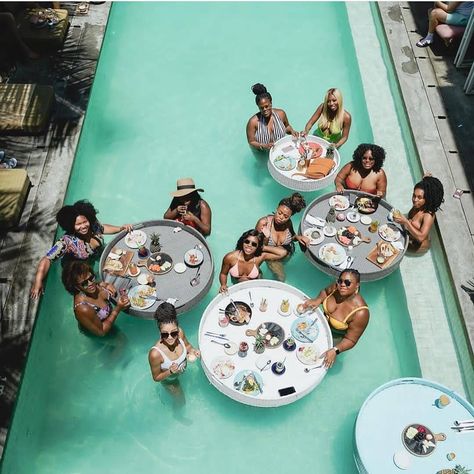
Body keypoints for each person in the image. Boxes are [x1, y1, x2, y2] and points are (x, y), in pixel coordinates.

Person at [30, 200, 133, 299]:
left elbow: (102, 228)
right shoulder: (67, 241)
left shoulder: (92, 225)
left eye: (85, 222)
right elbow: (47, 259)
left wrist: (121, 228)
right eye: (78, 224)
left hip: (95, 256)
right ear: (71, 225)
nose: (83, 226)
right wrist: (38, 280)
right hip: (79, 267)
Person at [302, 269, 369, 369]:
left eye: (347, 283)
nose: (342, 285)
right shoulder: (336, 288)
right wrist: (318, 300)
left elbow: (351, 340)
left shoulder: (360, 313)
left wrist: (335, 350)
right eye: (340, 281)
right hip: (317, 325)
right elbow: (325, 292)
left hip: (334, 337)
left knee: (314, 360)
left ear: (357, 285)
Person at [62, 261, 130, 336]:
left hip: (107, 322)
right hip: (97, 331)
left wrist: (105, 284)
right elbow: (102, 332)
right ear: (75, 287)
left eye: (91, 278)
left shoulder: (93, 286)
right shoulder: (83, 308)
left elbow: (91, 282)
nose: (90, 284)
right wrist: (117, 309)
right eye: (84, 283)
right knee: (122, 342)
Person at [255, 193, 309, 281]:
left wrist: (299, 237)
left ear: (290, 216)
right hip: (273, 257)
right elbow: (256, 248)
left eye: (286, 216)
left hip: (288, 253)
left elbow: (292, 237)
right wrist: (266, 237)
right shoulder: (264, 223)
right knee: (281, 278)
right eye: (279, 213)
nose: (281, 218)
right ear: (276, 208)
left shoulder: (288, 223)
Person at [219, 229, 287, 293]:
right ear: (242, 241)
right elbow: (223, 274)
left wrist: (263, 247)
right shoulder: (230, 257)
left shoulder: (259, 257)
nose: (249, 245)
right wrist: (223, 285)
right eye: (247, 241)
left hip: (256, 284)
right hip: (238, 285)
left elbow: (283, 253)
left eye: (254, 244)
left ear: (258, 246)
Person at [148, 302, 200, 383]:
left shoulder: (180, 332)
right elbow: (156, 377)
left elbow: (188, 346)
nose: (170, 337)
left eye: (174, 333)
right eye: (165, 334)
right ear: (160, 332)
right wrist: (170, 371)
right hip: (170, 381)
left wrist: (194, 351)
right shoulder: (155, 354)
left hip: (183, 372)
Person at [393, 175, 444, 253]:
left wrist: (406, 222)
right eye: (414, 195)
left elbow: (421, 238)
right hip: (409, 237)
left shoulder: (428, 215)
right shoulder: (418, 205)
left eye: (419, 197)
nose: (415, 199)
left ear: (427, 198)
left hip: (417, 246)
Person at [246, 83, 297, 151]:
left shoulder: (281, 114)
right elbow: (251, 141)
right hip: (262, 152)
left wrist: (292, 131)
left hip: (279, 150)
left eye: (266, 106)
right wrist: (263, 146)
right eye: (261, 108)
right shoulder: (253, 122)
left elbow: (287, 127)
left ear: (271, 103)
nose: (264, 110)